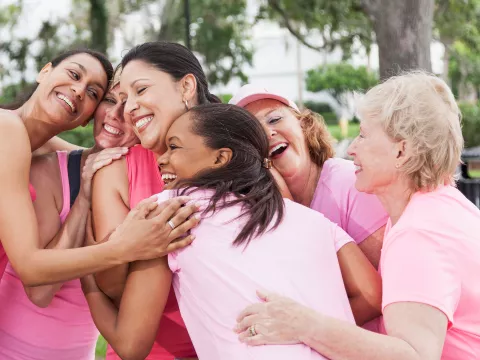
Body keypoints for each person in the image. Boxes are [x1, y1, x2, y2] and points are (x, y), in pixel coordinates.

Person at [82, 103, 381, 360]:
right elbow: (371, 294)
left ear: (220, 158)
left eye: (174, 147)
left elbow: (131, 344)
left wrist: (86, 281)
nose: (162, 158)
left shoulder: (174, 211)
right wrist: (303, 331)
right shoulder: (314, 221)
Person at [235, 72, 480, 360]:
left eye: (363, 135)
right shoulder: (436, 204)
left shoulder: (418, 234)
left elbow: (413, 355)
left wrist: (303, 325)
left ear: (401, 151)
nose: (351, 149)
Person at [0, 48, 197, 288]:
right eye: (74, 74)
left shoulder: (34, 144)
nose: (78, 90)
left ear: (87, 118)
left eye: (93, 92)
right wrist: (124, 247)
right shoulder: (8, 128)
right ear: (45, 71)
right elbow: (30, 267)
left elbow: (84, 156)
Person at [91, 41, 221, 360]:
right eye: (123, 97)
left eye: (141, 90)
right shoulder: (117, 169)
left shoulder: (238, 158)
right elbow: (113, 288)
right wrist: (127, 244)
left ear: (186, 86)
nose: (128, 108)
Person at [0, 72, 140, 359]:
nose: (115, 114)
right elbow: (40, 292)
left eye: (130, 106)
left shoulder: (145, 189)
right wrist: (84, 196)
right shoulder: (46, 170)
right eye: (109, 100)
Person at [229, 85, 388, 268]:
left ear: (303, 124)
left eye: (274, 119)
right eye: (252, 133)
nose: (267, 133)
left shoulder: (350, 182)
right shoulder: (254, 210)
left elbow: (385, 282)